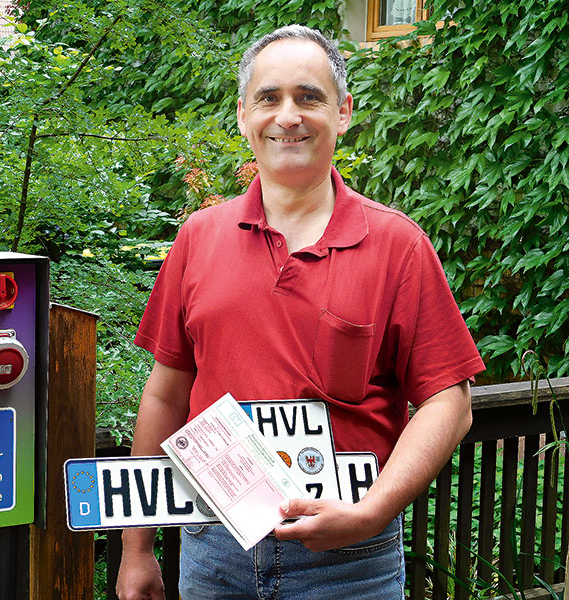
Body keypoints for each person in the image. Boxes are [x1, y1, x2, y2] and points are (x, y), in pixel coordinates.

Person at [115, 24, 485, 600]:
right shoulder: (198, 238)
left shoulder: (398, 246)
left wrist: (370, 513)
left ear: (343, 113)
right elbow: (165, 393)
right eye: (269, 98)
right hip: (214, 547)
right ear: (244, 116)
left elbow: (449, 403)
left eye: (309, 97)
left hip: (350, 562)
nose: (288, 115)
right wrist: (136, 549)